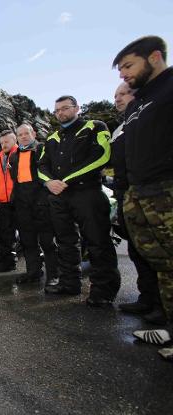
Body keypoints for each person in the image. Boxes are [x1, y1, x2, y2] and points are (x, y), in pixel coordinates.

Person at [112, 36, 173, 358]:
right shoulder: (139, 104)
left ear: (155, 56)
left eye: (128, 66)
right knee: (161, 263)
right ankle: (167, 328)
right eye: (120, 70)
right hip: (140, 193)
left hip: (166, 191)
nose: (123, 74)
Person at [38, 95, 120, 306]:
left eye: (65, 108)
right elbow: (42, 166)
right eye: (57, 110)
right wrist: (49, 183)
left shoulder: (95, 126)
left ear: (77, 108)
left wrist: (66, 180)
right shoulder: (52, 137)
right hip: (58, 196)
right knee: (65, 242)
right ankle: (69, 282)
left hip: (87, 193)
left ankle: (103, 290)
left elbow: (102, 156)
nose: (61, 113)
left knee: (97, 240)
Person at [109, 82, 163, 323]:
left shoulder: (149, 115)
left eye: (123, 94)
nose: (118, 99)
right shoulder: (120, 128)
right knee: (137, 248)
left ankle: (162, 306)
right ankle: (147, 298)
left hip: (152, 192)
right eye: (115, 95)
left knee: (158, 251)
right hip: (125, 194)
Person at [8, 124, 59, 286]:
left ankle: (54, 275)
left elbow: (50, 174)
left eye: (26, 133)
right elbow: (14, 179)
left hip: (41, 203)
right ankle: (33, 272)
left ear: (33, 134)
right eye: (20, 134)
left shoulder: (42, 149)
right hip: (23, 205)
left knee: (48, 241)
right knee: (28, 241)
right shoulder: (14, 156)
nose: (23, 136)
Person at [0, 131, 18, 272]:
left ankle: (35, 267)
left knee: (28, 234)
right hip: (4, 203)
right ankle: (8, 262)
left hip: (19, 200)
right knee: (5, 235)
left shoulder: (20, 153)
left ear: (14, 140)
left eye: (6, 142)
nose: (3, 145)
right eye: (1, 143)